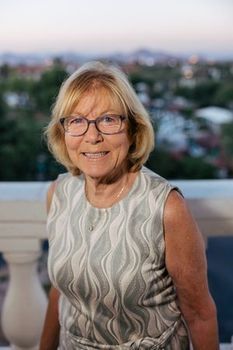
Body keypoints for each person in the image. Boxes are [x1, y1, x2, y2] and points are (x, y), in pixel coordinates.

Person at [39, 61, 219, 350]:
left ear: (133, 129)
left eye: (109, 119)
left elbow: (200, 315)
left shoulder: (166, 207)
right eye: (76, 120)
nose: (93, 135)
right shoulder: (59, 194)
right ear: (63, 132)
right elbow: (60, 294)